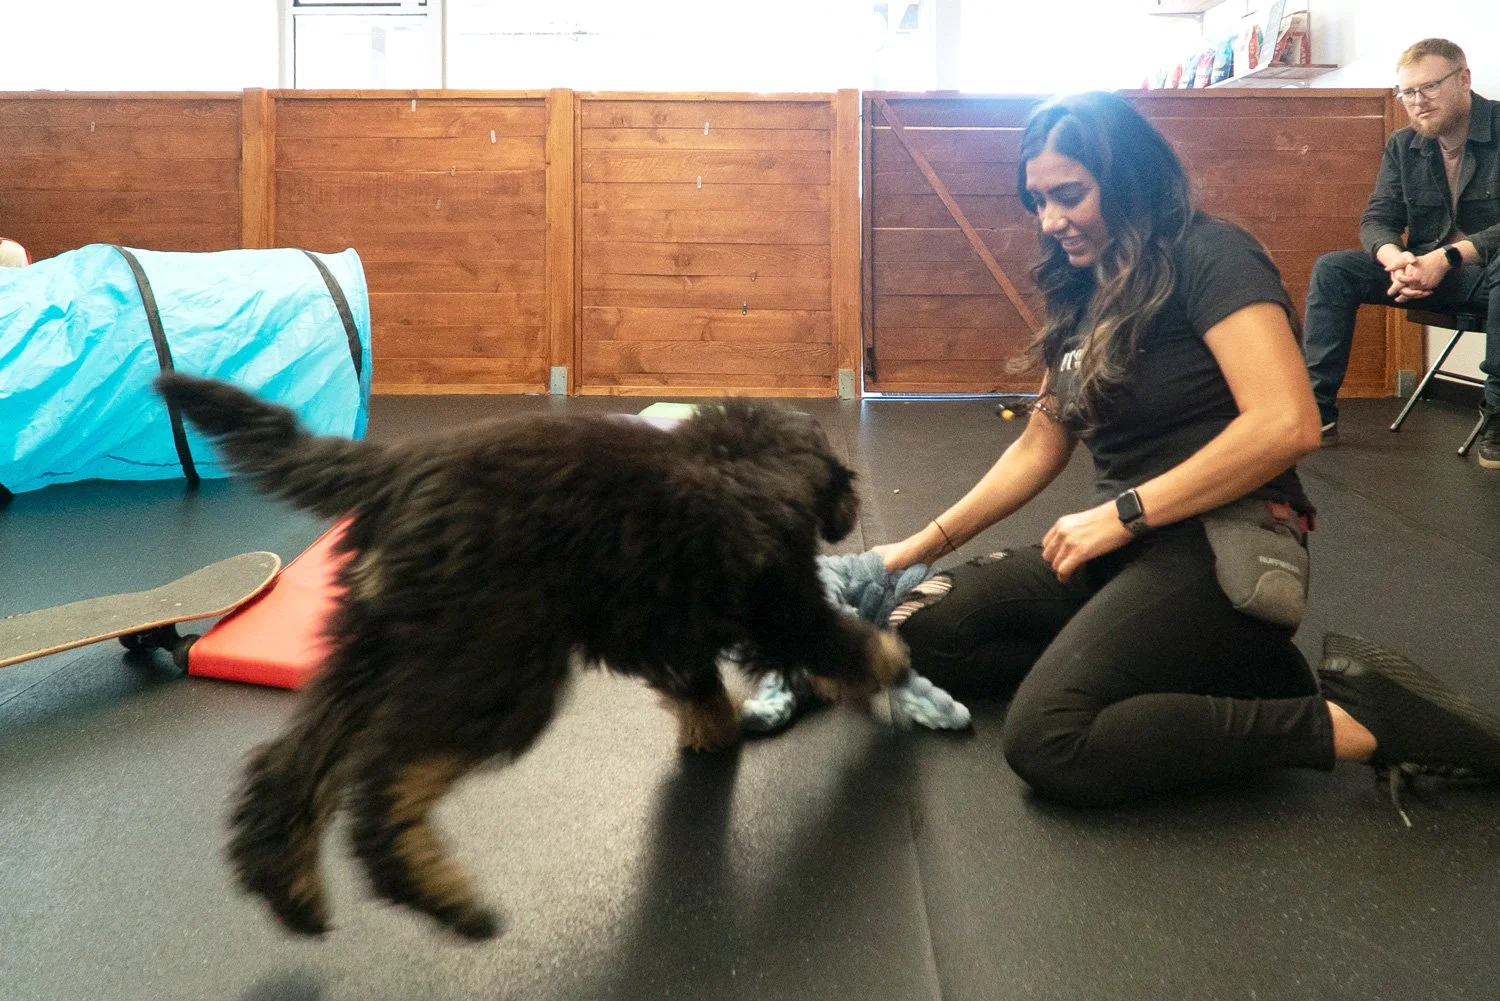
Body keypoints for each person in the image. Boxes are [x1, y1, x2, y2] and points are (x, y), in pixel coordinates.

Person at [860, 90, 1500, 816]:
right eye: (1036, 200)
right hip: (1125, 549)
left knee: (1051, 739)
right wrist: (913, 547)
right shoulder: (1082, 284)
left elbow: (1286, 423)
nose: (1050, 220)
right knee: (915, 632)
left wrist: (1124, 513)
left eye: (1068, 195)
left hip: (1227, 545)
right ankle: (1219, 669)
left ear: (1127, 175)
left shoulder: (1210, 253)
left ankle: (1354, 724)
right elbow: (1043, 437)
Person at [1302, 38, 1500, 466]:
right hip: (1427, 273)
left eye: (1428, 87)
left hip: (1486, 275)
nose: (1417, 102)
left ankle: (1498, 415)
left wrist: (1446, 258)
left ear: (1464, 79)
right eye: (1407, 92)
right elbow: (1377, 218)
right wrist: (1396, 259)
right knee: (1334, 269)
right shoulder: (1403, 145)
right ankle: (1314, 412)